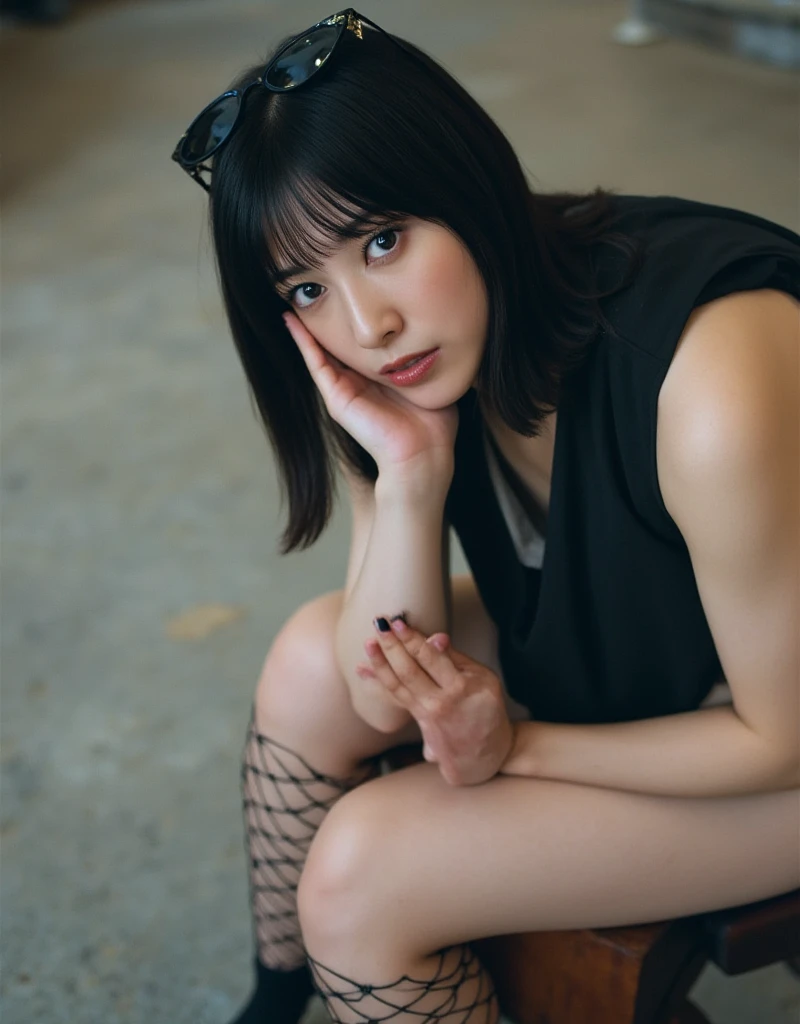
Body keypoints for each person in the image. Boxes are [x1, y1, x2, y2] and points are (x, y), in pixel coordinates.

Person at [171, 10, 800, 1024]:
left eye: (381, 241)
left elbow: (780, 738)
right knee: (306, 663)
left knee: (359, 877)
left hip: (777, 743)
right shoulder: (420, 360)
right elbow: (379, 698)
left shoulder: (705, 371)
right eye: (305, 287)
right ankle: (276, 1004)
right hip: (680, 663)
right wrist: (409, 475)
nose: (365, 327)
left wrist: (516, 742)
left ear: (462, 185)